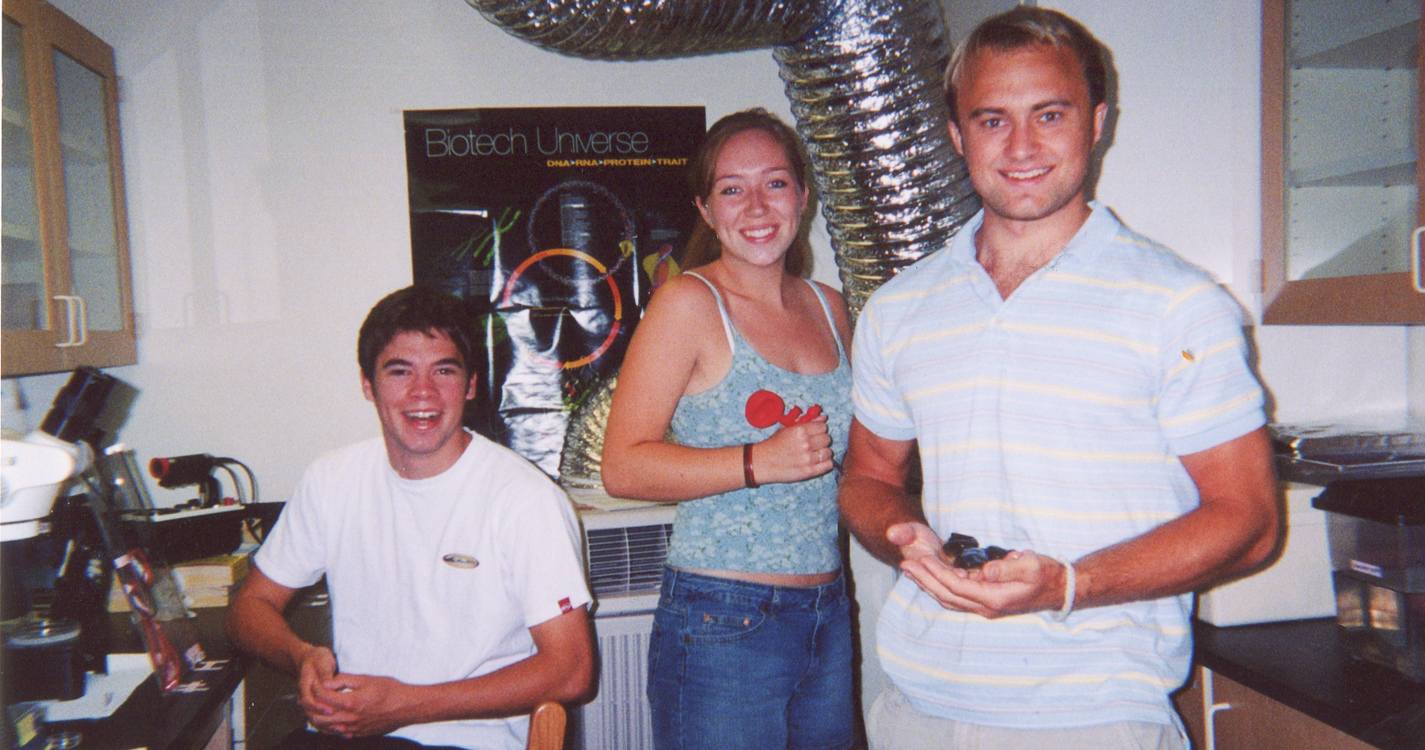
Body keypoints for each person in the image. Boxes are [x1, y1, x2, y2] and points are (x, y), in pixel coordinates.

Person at [838, 8, 1280, 750]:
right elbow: (866, 475)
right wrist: (901, 535)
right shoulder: (898, 308)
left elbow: (1250, 520)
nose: (1020, 147)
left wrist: (1065, 585)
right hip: (916, 710)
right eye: (989, 120)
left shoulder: (1177, 304)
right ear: (955, 135)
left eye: (1049, 114)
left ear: (1096, 122)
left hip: (1096, 717)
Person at [226, 286, 595, 750]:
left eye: (444, 370)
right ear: (367, 384)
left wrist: (407, 705)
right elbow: (248, 607)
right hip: (352, 736)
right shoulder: (332, 479)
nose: (423, 392)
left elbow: (573, 670)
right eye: (399, 371)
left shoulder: (524, 500)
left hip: (468, 742)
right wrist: (302, 656)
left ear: (471, 385)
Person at [600, 108, 856, 750]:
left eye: (774, 183)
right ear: (707, 210)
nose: (756, 206)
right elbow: (623, 466)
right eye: (731, 189)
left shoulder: (830, 307)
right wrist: (754, 462)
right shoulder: (687, 302)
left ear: (802, 195)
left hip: (828, 610)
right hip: (721, 616)